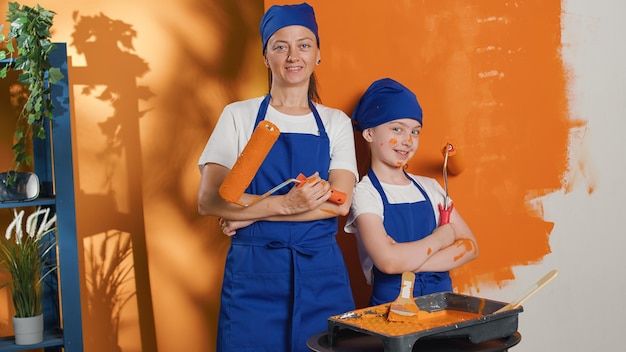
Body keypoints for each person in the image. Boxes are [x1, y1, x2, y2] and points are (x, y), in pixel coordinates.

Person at [197, 3, 357, 351]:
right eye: (280, 45)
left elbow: (340, 204)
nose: (292, 55)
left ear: (318, 54)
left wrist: (246, 211)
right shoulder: (237, 116)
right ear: (266, 56)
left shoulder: (335, 123)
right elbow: (209, 200)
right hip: (253, 274)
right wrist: (284, 204)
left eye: (304, 44)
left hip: (321, 274)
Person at [344, 78, 479, 306]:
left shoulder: (430, 187)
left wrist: (406, 260)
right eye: (397, 129)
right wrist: (440, 239)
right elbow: (388, 262)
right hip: (390, 311)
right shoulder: (364, 193)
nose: (407, 141)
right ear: (369, 133)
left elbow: (470, 246)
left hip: (442, 306)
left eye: (415, 132)